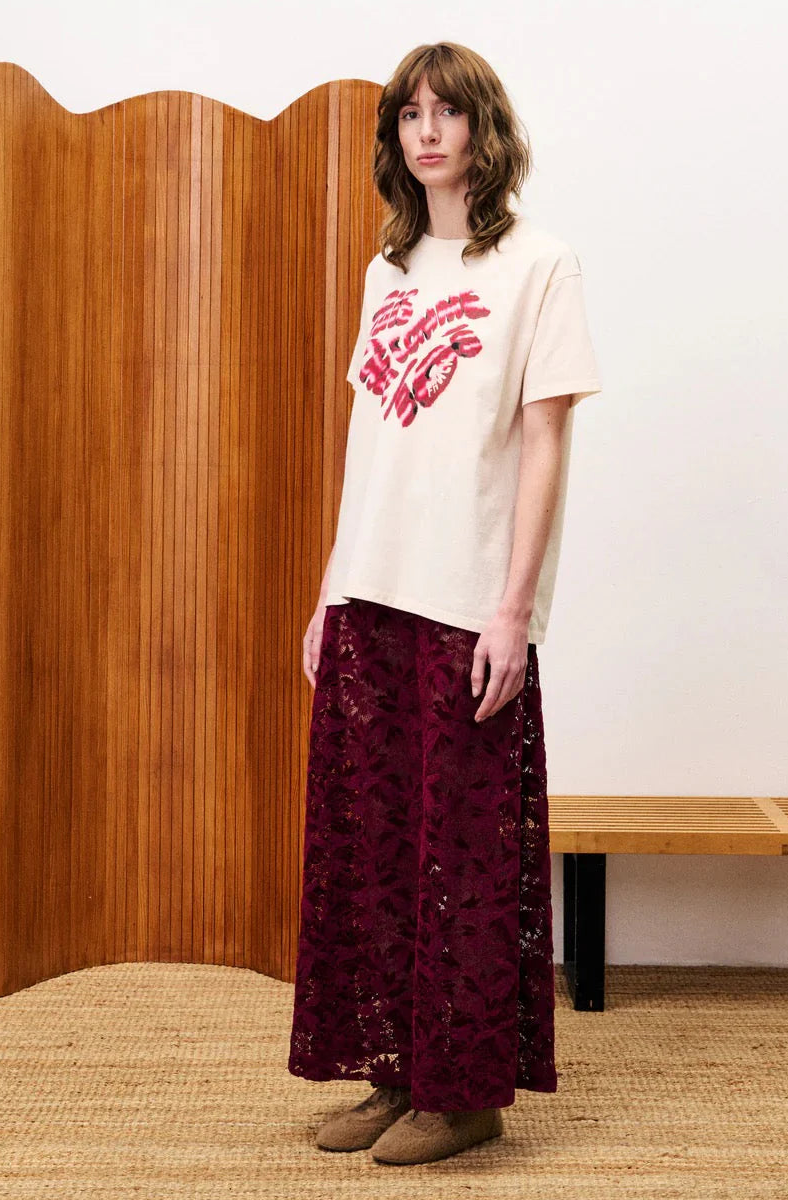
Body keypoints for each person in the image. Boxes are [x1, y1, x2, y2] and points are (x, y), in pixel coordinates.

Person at [286, 41, 603, 1166]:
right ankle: (393, 1072)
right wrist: (331, 591)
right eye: (410, 113)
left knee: (460, 859)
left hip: (467, 605)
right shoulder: (390, 271)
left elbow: (545, 448)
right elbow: (370, 451)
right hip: (370, 596)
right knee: (375, 851)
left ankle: (464, 1093)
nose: (428, 130)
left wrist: (514, 612)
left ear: (482, 130)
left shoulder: (540, 267)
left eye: (448, 112)